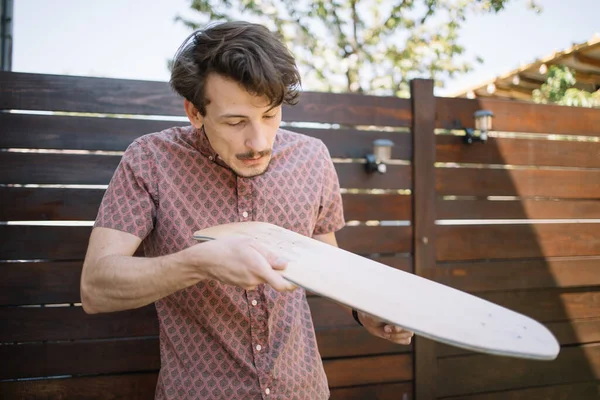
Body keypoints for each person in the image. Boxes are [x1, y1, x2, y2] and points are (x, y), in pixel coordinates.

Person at [80, 20, 413, 400]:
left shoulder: (313, 158)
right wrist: (198, 263)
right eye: (236, 122)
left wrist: (364, 309)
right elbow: (96, 287)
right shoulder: (150, 160)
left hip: (302, 390)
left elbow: (325, 258)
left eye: (270, 115)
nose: (258, 141)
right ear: (194, 112)